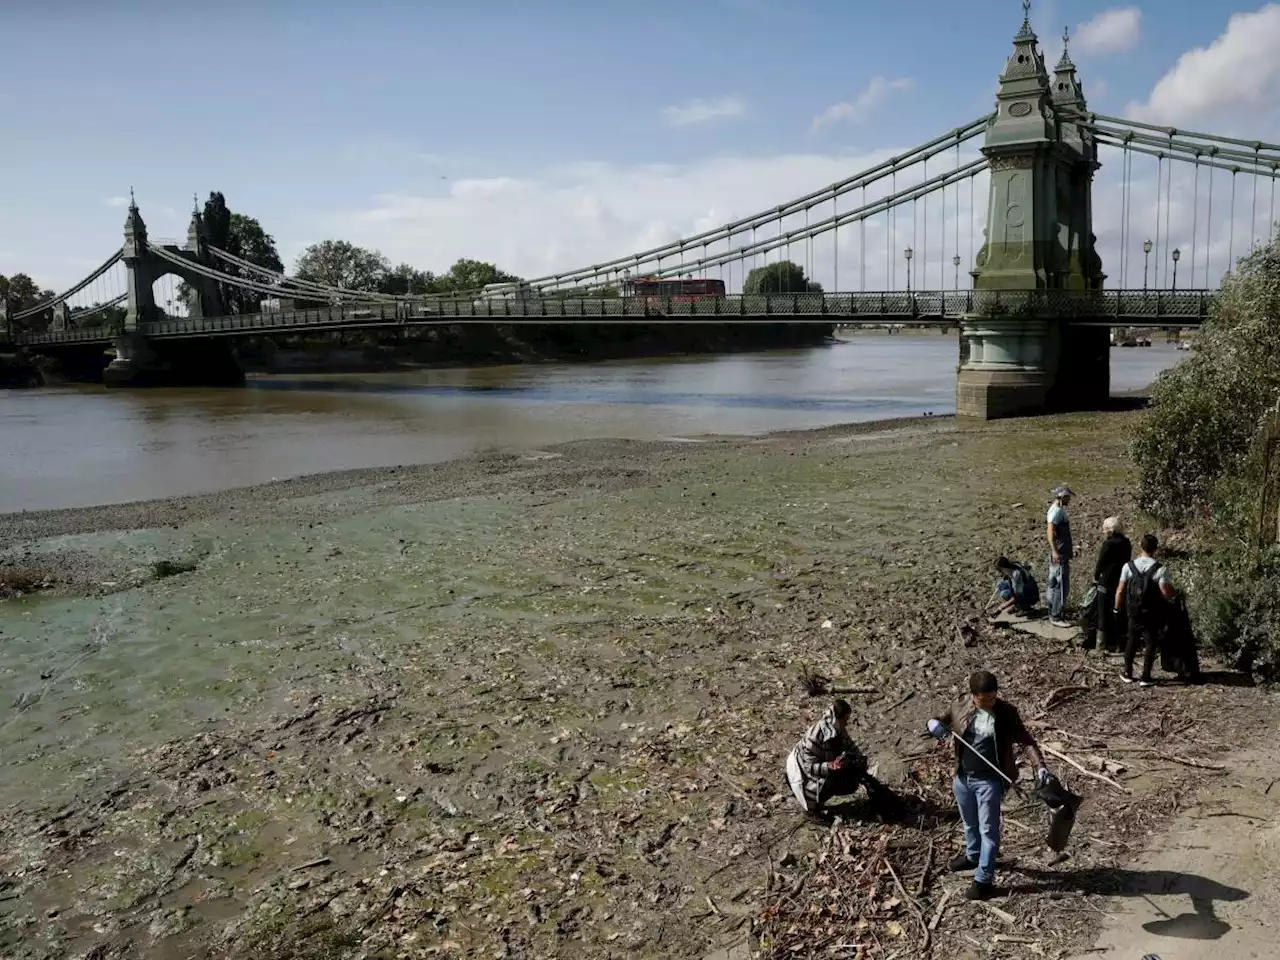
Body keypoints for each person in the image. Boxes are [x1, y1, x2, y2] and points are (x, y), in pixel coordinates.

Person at [927, 671, 1048, 901]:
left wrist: (1039, 765)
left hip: (990, 782)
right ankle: (973, 856)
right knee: (970, 823)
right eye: (986, 699)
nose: (991, 702)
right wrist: (932, 724)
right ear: (974, 696)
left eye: (994, 697)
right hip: (963, 778)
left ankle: (984, 879)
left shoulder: (1005, 713)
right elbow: (941, 721)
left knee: (988, 831)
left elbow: (1025, 740)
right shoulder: (960, 705)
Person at [1114, 533, 1177, 687]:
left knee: (1132, 640)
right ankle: (1145, 676)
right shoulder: (1159, 569)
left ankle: (1128, 673)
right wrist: (1173, 598)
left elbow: (1120, 590)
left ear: (1140, 546)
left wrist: (1117, 608)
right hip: (1151, 612)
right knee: (1150, 642)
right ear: (1155, 549)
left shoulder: (1128, 566)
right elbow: (1165, 591)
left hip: (1133, 611)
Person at [786, 699, 869, 815]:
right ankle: (812, 809)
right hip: (802, 772)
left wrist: (859, 759)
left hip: (821, 765)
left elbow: (850, 747)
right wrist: (829, 766)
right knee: (827, 784)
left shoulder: (839, 731)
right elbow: (808, 766)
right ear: (837, 719)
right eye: (844, 720)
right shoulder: (814, 736)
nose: (846, 724)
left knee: (851, 781)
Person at [1083, 517, 1131, 652]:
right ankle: (1118, 642)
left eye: (1105, 529)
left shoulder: (1108, 544)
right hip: (1120, 579)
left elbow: (1101, 563)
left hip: (1106, 580)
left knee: (1103, 612)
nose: (1103, 532)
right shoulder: (1126, 543)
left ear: (1110, 530)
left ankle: (1100, 645)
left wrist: (1095, 577)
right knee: (1118, 611)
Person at [1046, 485, 1074, 627]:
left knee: (1053, 583)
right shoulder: (1056, 513)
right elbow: (1050, 533)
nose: (1070, 500)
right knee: (1061, 585)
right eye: (1068, 497)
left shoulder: (1055, 510)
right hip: (1060, 554)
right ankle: (1056, 616)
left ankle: (1052, 610)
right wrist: (1056, 551)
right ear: (1062, 497)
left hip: (1059, 552)